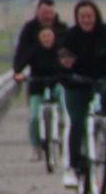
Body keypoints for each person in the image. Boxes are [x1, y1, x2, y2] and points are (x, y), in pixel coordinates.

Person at [55, 0, 106, 188]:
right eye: (82, 17)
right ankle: (73, 167)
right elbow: (60, 60)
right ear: (77, 18)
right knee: (77, 122)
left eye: (89, 16)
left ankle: (105, 130)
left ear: (96, 16)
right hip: (76, 84)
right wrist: (65, 68)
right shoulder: (70, 37)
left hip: (100, 80)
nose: (86, 20)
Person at [13, 21, 66, 161]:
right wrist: (18, 73)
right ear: (39, 38)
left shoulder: (60, 51)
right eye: (44, 36)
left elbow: (70, 63)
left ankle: (63, 121)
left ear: (54, 36)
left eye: (49, 36)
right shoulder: (34, 51)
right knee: (34, 117)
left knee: (62, 94)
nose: (47, 39)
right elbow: (20, 64)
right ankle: (36, 146)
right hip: (38, 87)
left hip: (55, 84)